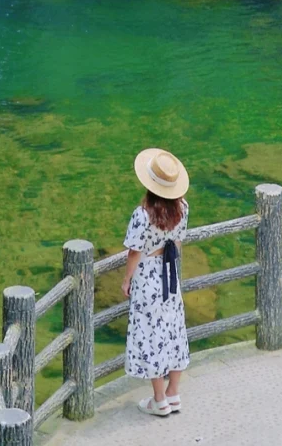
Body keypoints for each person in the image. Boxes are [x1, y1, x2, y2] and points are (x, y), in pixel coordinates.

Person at [121, 147, 191, 418]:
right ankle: (174, 393)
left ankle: (159, 399)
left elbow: (135, 252)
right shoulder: (183, 208)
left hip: (148, 275)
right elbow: (178, 241)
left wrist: (127, 279)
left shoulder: (143, 214)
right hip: (169, 272)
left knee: (151, 334)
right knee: (174, 330)